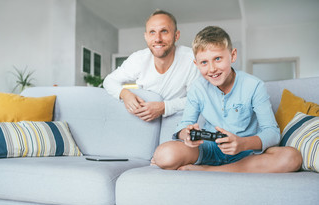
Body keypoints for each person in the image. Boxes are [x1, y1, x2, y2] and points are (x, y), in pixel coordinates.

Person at [151, 26, 302, 173]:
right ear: (196, 64)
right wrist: (186, 134)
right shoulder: (197, 88)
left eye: (217, 59)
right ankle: (221, 168)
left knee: (291, 157)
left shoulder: (254, 85)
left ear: (233, 55)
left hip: (246, 152)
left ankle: (210, 170)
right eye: (204, 62)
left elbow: (272, 133)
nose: (212, 69)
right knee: (163, 155)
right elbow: (184, 125)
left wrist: (242, 144)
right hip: (210, 148)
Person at [103, 10, 200, 122]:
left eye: (164, 31)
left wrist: (164, 107)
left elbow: (197, 99)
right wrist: (124, 94)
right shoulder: (138, 59)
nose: (158, 39)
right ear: (146, 36)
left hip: (177, 119)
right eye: (152, 32)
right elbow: (109, 81)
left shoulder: (191, 59)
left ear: (176, 35)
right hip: (144, 121)